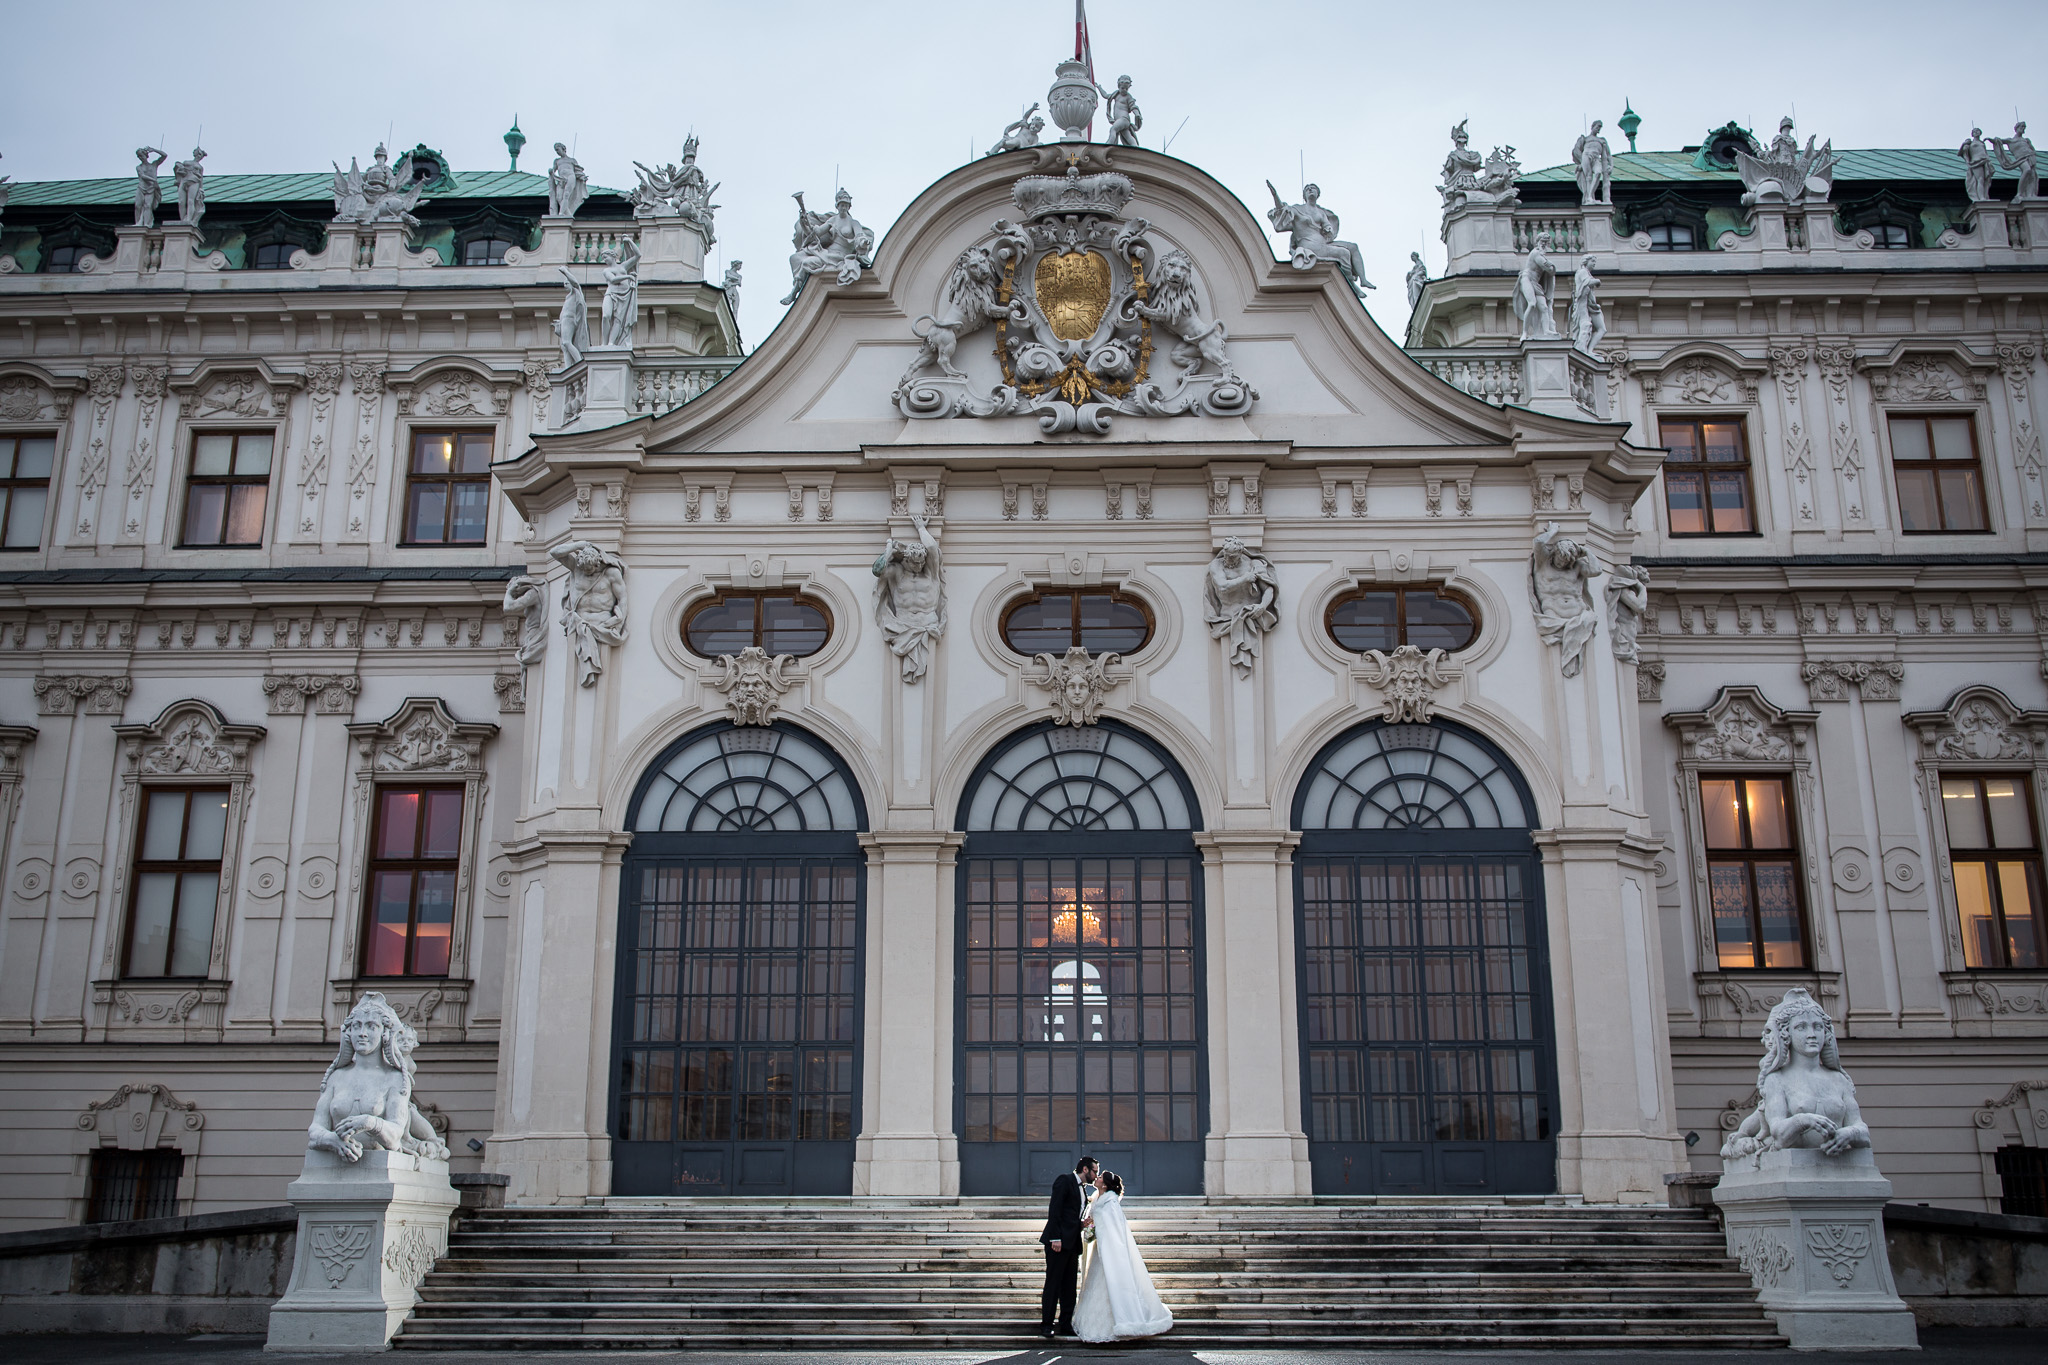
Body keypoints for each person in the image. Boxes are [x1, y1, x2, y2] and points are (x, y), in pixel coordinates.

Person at [1072, 1168, 1173, 1342]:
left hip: (1111, 1252)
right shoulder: (1097, 1200)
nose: (1097, 1177)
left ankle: (1124, 1321)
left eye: (1100, 1177)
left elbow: (1114, 1231)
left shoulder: (1110, 1203)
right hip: (1099, 1251)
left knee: (1111, 1284)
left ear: (1104, 1184)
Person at [1038, 1154, 1096, 1338]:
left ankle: (1065, 1324)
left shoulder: (1083, 1191)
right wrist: (1055, 1237)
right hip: (1058, 1242)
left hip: (1072, 1244)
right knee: (1053, 1284)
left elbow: (1070, 1215)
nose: (1096, 1175)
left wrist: (1081, 1225)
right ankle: (1047, 1325)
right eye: (1095, 1171)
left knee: (1069, 1287)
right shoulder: (1065, 1180)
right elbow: (1055, 1209)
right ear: (1085, 1169)